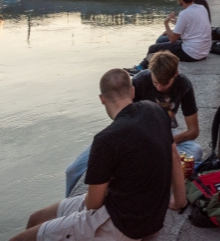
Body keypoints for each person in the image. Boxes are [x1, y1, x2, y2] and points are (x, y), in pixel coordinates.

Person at [12, 69, 185, 241]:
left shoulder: (106, 139)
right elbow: (175, 158)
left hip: (120, 225)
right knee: (37, 218)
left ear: (102, 99)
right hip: (152, 220)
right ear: (132, 91)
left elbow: (93, 204)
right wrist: (179, 202)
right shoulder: (155, 110)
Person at [65, 52, 203, 197]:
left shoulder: (183, 85)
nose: (159, 88)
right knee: (73, 170)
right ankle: (68, 204)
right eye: (156, 82)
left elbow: (193, 131)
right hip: (135, 137)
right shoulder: (139, 82)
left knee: (195, 150)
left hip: (164, 135)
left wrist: (163, 140)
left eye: (165, 84)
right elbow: (122, 123)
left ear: (175, 74)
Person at [129, 0, 212, 73]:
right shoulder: (201, 8)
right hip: (204, 51)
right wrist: (178, 21)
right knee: (161, 43)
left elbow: (172, 39)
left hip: (192, 54)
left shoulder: (184, 14)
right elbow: (193, 24)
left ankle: (141, 70)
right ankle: (147, 68)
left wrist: (166, 23)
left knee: (153, 48)